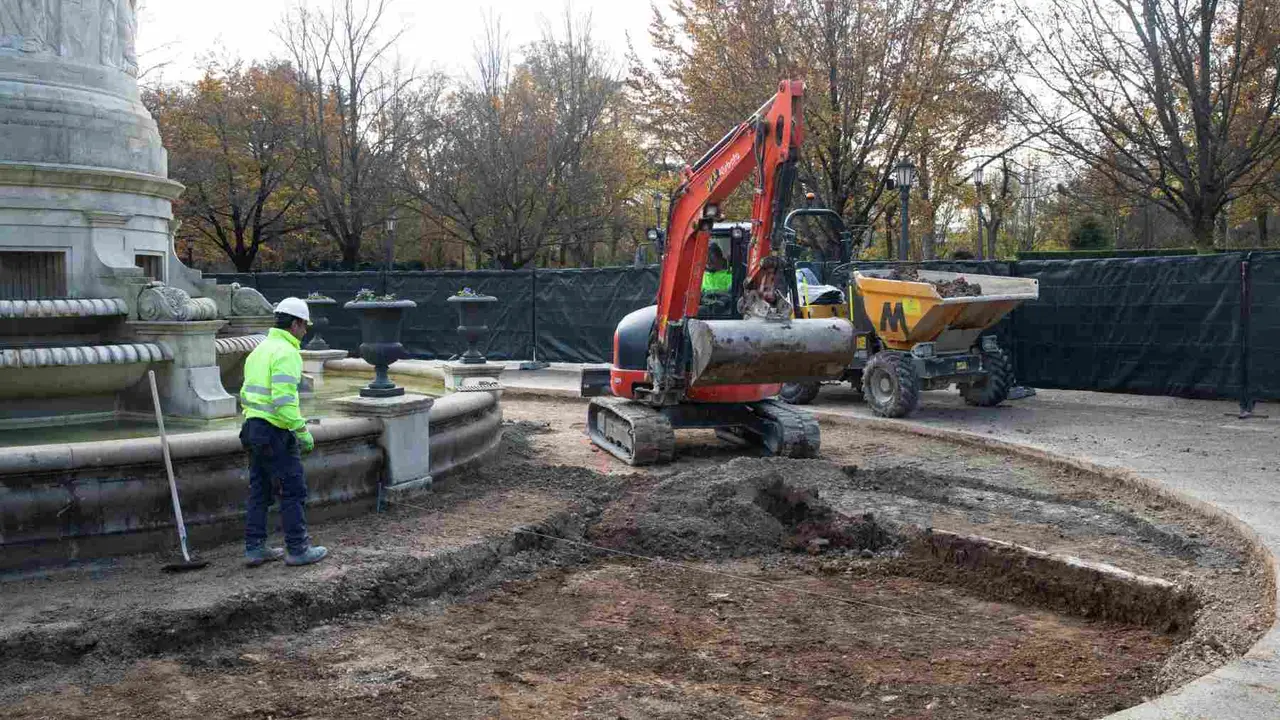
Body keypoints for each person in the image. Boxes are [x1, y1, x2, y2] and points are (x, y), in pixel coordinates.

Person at [238, 297, 328, 567]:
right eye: (304, 326)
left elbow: (247, 393)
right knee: (292, 490)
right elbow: (283, 401)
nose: (305, 331)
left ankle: (254, 548)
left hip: (252, 428)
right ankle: (298, 549)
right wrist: (301, 431)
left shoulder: (260, 349)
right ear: (295, 324)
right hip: (275, 431)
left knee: (260, 491)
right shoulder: (287, 353)